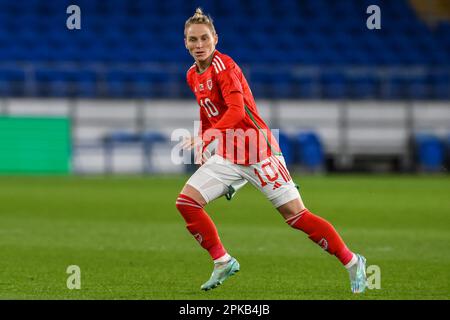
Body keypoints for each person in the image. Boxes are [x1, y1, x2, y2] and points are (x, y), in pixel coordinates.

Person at [175, 8, 367, 293]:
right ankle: (222, 260)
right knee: (186, 203)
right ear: (185, 42)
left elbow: (238, 111)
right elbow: (207, 112)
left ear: (216, 38)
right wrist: (205, 139)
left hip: (258, 151)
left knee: (297, 217)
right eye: (193, 40)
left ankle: (352, 261)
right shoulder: (193, 74)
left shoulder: (225, 68)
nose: (199, 45)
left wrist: (210, 134)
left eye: (204, 38)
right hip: (228, 154)